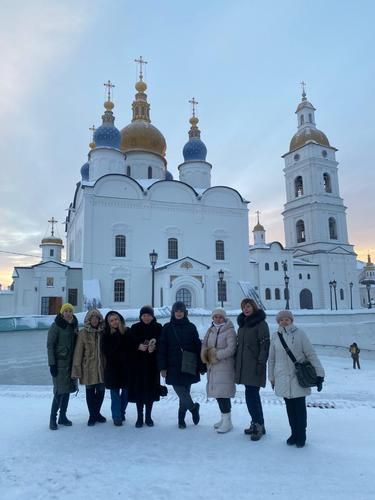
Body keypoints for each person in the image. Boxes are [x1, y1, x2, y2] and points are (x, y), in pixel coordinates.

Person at [268, 310, 325, 448]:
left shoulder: (300, 334)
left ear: (291, 320)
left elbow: (310, 354)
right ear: (278, 322)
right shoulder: (275, 336)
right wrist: (271, 377)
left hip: (298, 376)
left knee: (299, 407)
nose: (284, 322)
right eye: (281, 320)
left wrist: (319, 374)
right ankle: (294, 433)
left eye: (287, 319)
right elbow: (272, 359)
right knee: (289, 408)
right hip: (281, 376)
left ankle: (301, 434)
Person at [158, 301, 202, 429]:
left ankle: (181, 419)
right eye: (176, 311)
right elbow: (162, 348)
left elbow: (197, 347)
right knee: (180, 391)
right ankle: (194, 408)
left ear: (185, 313)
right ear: (173, 312)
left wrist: (201, 364)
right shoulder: (167, 327)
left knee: (185, 392)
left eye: (181, 311)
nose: (178, 313)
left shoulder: (191, 327)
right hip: (173, 365)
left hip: (188, 363)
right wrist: (162, 367)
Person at [235, 298, 270, 441]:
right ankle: (258, 423)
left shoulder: (261, 324)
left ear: (254, 307)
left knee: (252, 397)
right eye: (244, 307)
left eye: (248, 306)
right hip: (244, 366)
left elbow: (265, 345)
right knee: (251, 396)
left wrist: (261, 362)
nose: (246, 309)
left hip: (255, 365)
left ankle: (258, 425)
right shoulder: (243, 325)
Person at [201, 308, 236, 433]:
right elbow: (204, 345)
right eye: (215, 316)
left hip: (225, 366)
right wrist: (205, 356)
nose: (218, 319)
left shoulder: (230, 331)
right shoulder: (210, 330)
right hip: (213, 367)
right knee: (218, 394)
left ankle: (227, 421)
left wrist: (215, 355)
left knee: (223, 394)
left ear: (224, 318)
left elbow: (231, 349)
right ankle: (224, 418)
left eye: (220, 317)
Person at [128, 305, 163, 428]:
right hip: (138, 365)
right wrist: (138, 346)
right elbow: (129, 343)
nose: (146, 317)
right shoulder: (135, 327)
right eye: (144, 315)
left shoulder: (158, 327)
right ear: (140, 316)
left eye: (148, 315)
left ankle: (148, 417)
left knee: (151, 391)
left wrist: (155, 346)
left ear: (152, 316)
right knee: (139, 391)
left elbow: (162, 342)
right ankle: (139, 417)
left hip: (152, 366)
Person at [71, 309, 106, 426]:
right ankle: (92, 415)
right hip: (88, 367)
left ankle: (97, 413)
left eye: (97, 318)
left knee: (101, 392)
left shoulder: (103, 332)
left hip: (102, 367)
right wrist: (77, 369)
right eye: (92, 318)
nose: (95, 320)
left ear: (100, 319)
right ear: (89, 320)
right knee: (90, 392)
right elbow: (78, 352)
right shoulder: (83, 333)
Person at [47, 303, 79, 430]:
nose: (68, 313)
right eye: (65, 311)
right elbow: (50, 346)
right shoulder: (56, 326)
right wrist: (52, 364)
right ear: (61, 313)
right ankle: (52, 418)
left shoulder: (73, 325)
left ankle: (63, 416)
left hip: (70, 363)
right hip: (59, 364)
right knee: (59, 392)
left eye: (70, 311)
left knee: (67, 391)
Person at [101, 311, 130, 426]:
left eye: (116, 319)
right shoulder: (106, 335)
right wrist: (116, 338)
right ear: (108, 323)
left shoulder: (127, 332)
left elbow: (132, 347)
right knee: (115, 394)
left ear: (120, 319)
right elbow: (107, 351)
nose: (114, 322)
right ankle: (116, 416)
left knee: (126, 393)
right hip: (113, 369)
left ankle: (122, 412)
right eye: (111, 321)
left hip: (126, 367)